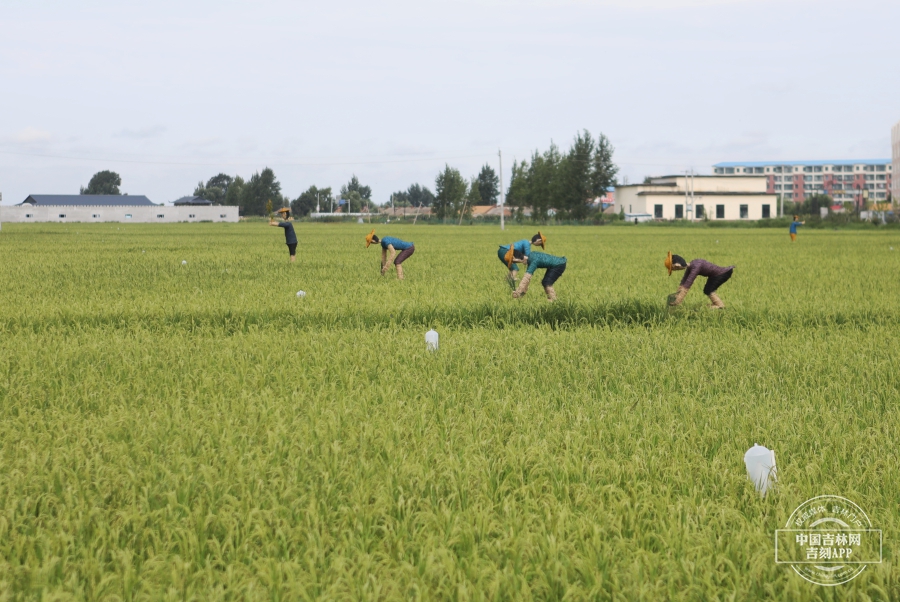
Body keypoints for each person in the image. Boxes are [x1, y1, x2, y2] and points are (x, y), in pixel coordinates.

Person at [665, 251, 734, 309]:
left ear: (678, 265)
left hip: (722, 274)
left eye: (675, 269)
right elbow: (684, 281)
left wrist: (678, 300)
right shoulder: (691, 266)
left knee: (708, 290)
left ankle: (720, 305)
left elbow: (688, 284)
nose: (677, 270)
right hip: (714, 276)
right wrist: (677, 295)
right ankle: (718, 306)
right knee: (707, 290)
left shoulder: (696, 267)